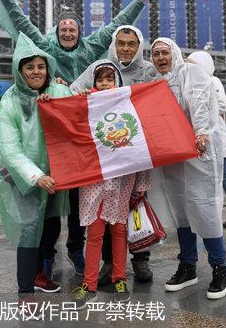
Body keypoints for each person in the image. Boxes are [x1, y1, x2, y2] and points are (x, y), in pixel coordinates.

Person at [0, 0, 156, 277]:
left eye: (72, 28)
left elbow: (118, 25)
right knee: (50, 199)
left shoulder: (92, 47)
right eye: (63, 28)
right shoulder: (47, 48)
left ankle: (76, 250)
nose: (67, 32)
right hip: (50, 138)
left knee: (82, 199)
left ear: (80, 31)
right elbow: (22, 24)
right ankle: (47, 256)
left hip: (84, 138)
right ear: (57, 33)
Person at [69, 25, 156, 285]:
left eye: (131, 43)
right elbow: (74, 92)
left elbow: (162, 90)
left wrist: (181, 68)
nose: (126, 48)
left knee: (134, 212)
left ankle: (140, 259)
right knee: (104, 224)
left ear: (139, 46)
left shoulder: (148, 70)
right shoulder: (100, 67)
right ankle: (108, 267)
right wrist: (72, 94)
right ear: (114, 45)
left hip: (131, 159)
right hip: (99, 170)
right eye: (121, 43)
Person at [0, 33, 72, 311]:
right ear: (20, 70)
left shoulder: (60, 91)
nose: (36, 72)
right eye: (30, 67)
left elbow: (80, 109)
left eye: (40, 66)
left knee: (50, 226)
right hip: (25, 180)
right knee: (29, 230)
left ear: (48, 68)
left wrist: (86, 95)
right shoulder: (10, 101)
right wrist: (34, 175)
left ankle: (41, 275)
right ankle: (25, 291)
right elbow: (9, 147)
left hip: (55, 176)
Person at [147, 38, 226, 300]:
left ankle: (219, 267)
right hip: (172, 154)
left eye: (165, 52)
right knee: (180, 209)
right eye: (156, 54)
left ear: (174, 53)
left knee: (203, 206)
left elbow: (199, 103)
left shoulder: (189, 71)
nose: (161, 58)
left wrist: (201, 132)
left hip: (198, 151)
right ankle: (188, 265)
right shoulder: (154, 80)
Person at [186, 51, 226, 229]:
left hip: (217, 136)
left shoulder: (212, 81)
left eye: (192, 64)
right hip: (204, 137)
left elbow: (221, 106)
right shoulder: (192, 82)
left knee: (224, 175)